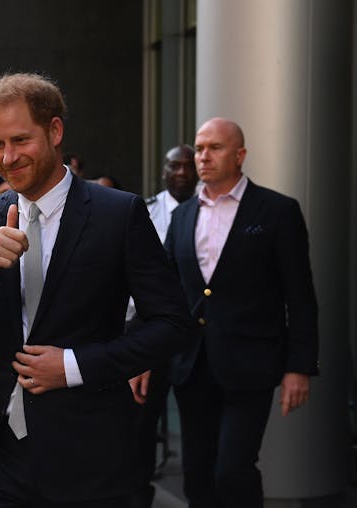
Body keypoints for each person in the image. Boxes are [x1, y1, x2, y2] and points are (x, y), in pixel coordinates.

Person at [0, 73, 195, 507]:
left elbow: (173, 324)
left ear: (55, 131)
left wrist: (73, 366)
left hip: (88, 453)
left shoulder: (118, 214)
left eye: (20, 140)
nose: (7, 157)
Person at [164, 117, 319, 507]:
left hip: (251, 364)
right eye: (199, 148)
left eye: (215, 148)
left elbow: (299, 295)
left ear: (240, 154)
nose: (203, 156)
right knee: (197, 474)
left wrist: (299, 366)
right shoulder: (182, 216)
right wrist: (145, 357)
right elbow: (167, 294)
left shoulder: (278, 211)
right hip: (192, 364)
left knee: (233, 471)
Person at [127, 144, 199, 507]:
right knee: (140, 425)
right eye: (175, 166)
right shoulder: (143, 211)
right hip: (149, 333)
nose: (183, 172)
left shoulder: (208, 211)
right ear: (164, 172)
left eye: (189, 166)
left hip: (195, 336)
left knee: (199, 432)